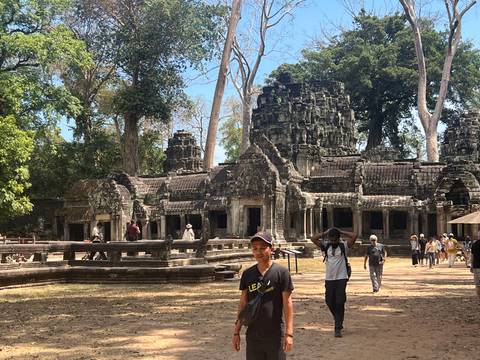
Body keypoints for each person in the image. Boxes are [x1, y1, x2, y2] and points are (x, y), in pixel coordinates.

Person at [232, 232, 294, 359]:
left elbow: (287, 304)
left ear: (271, 248)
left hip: (275, 334)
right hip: (253, 334)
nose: (258, 252)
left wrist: (289, 334)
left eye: (262, 248)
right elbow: (243, 303)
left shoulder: (281, 273)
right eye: (255, 248)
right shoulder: (248, 274)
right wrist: (236, 332)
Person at [310, 227, 357, 338]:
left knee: (340, 302)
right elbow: (313, 238)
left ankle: (337, 327)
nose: (333, 242)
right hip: (329, 278)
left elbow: (354, 236)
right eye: (331, 240)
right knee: (329, 301)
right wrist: (325, 233)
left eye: (335, 240)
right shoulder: (326, 246)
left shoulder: (343, 246)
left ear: (338, 239)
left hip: (341, 277)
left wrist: (341, 231)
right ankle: (338, 318)